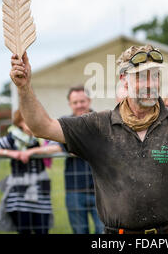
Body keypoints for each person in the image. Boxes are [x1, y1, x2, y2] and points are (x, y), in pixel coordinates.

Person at [9, 44, 168, 234]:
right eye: (141, 76)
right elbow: (42, 126)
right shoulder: (97, 125)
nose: (149, 83)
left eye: (154, 76)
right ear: (124, 80)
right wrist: (24, 87)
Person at [0, 110, 61, 234]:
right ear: (19, 122)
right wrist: (10, 153)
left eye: (33, 120)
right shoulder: (12, 138)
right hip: (19, 196)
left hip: (41, 192)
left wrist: (32, 152)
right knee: (24, 230)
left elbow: (57, 148)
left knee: (43, 230)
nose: (30, 123)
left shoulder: (43, 137)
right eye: (26, 120)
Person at [60, 85, 104, 234]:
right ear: (69, 104)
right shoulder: (64, 124)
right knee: (79, 231)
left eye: (82, 101)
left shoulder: (101, 122)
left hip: (102, 189)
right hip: (75, 190)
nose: (79, 105)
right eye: (75, 102)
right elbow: (67, 149)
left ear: (89, 101)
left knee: (102, 231)